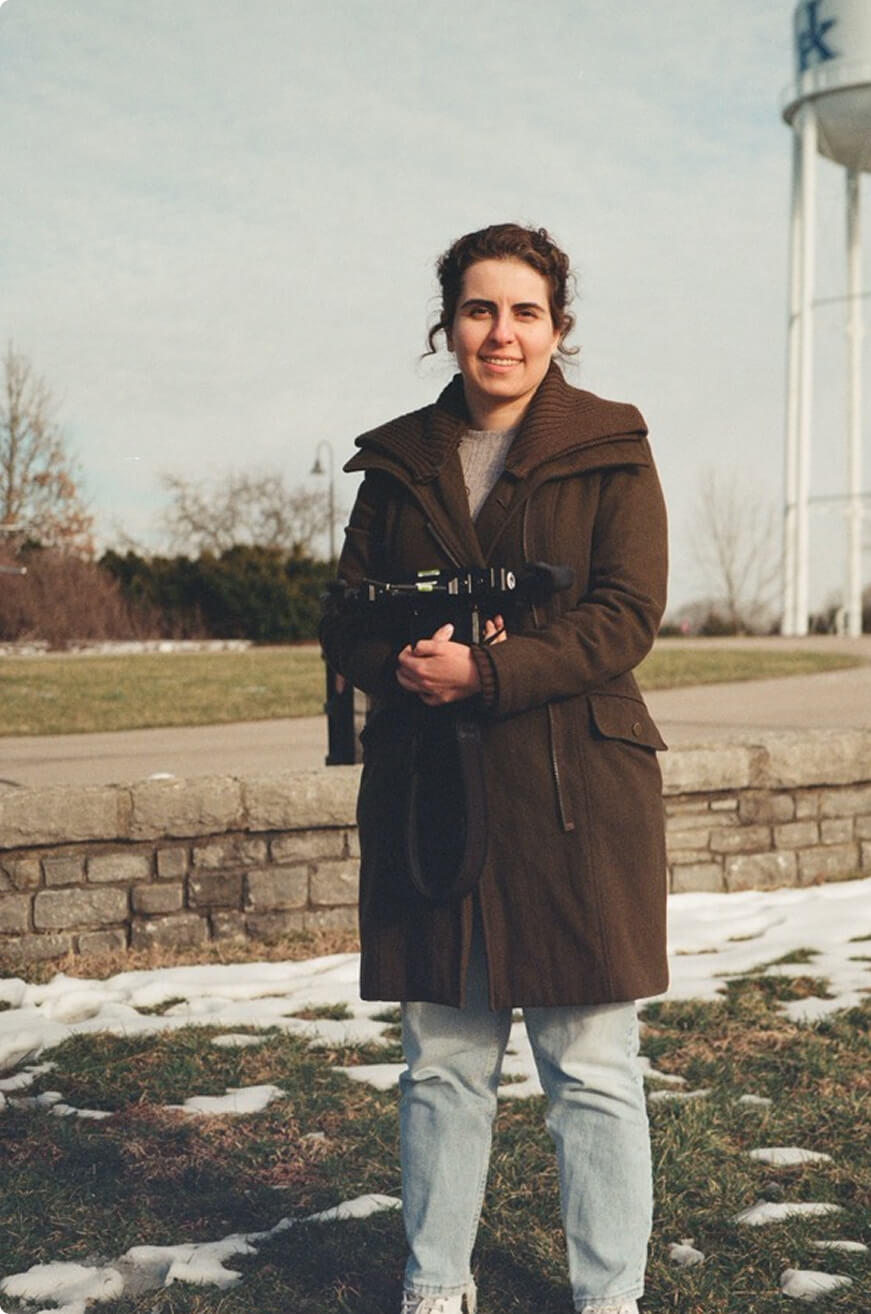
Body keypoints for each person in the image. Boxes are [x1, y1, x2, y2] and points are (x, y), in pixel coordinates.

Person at [320, 222, 669, 1314]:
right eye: (480, 310)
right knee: (441, 1063)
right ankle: (435, 1288)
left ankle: (608, 1298)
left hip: (576, 801)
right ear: (449, 326)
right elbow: (344, 620)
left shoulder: (612, 444)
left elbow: (626, 615)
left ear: (558, 327)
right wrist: (408, 666)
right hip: (437, 795)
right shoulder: (396, 461)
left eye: (524, 311)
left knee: (592, 1071)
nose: (501, 333)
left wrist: (494, 672)